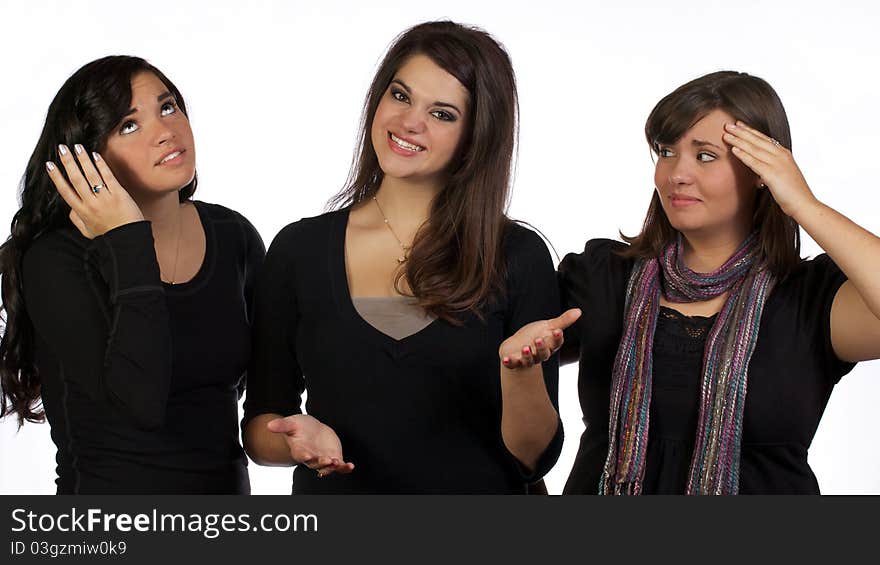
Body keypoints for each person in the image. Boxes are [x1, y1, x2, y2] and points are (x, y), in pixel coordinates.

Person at [243, 21, 574, 494]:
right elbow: (259, 428)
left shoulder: (517, 256)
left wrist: (518, 373)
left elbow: (533, 458)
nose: (409, 122)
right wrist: (295, 442)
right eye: (401, 96)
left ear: (475, 136)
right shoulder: (300, 250)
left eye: (442, 114)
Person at [558, 71, 880, 494]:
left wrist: (802, 203)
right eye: (667, 151)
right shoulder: (605, 276)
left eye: (705, 156)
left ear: (762, 171)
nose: (677, 173)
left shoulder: (810, 298)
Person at [0, 56, 264, 494]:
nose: (166, 131)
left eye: (168, 107)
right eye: (128, 125)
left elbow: (263, 398)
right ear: (89, 159)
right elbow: (139, 405)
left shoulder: (233, 237)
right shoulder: (57, 258)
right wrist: (127, 238)